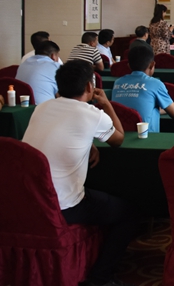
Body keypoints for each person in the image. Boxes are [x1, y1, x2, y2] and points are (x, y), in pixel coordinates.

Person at [22, 60, 134, 286]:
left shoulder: (41, 108)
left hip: (26, 200)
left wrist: (87, 143)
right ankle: (100, 278)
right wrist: (107, 104)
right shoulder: (91, 114)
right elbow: (118, 139)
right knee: (128, 213)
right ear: (89, 87)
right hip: (61, 206)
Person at [113, 44, 174, 132]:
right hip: (146, 136)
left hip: (121, 135)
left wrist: (166, 107)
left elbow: (138, 109)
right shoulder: (155, 84)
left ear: (128, 66)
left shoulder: (117, 83)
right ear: (152, 65)